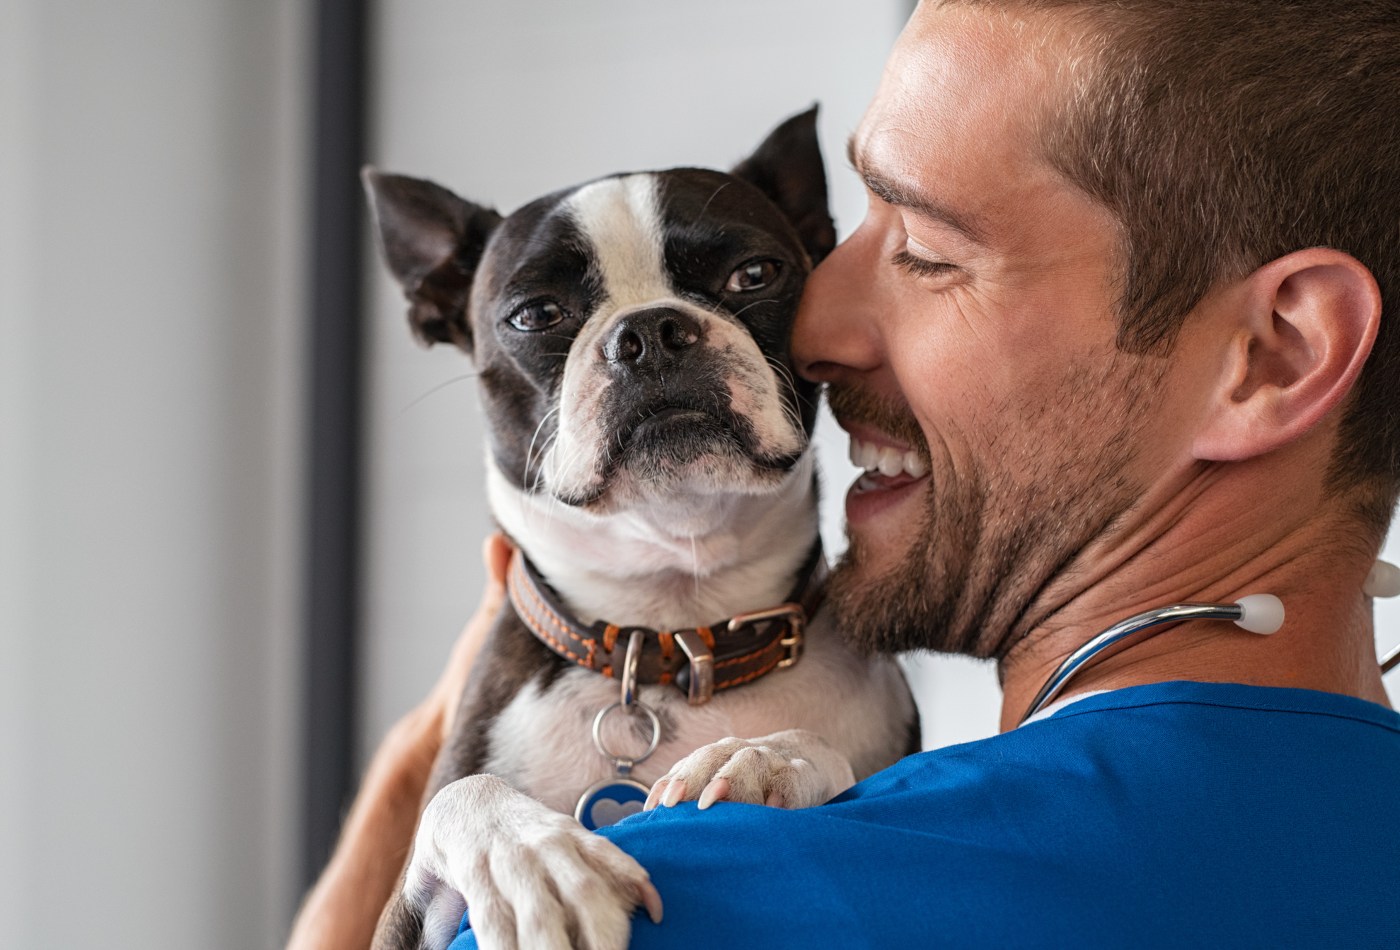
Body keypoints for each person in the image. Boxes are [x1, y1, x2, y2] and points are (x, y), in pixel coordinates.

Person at [290, 0, 1400, 946]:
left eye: (925, 249)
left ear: (1273, 352)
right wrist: (419, 777)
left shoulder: (683, 896)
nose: (812, 324)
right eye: (843, 233)